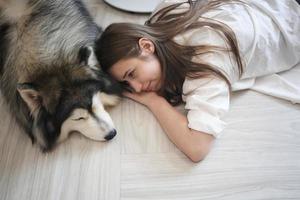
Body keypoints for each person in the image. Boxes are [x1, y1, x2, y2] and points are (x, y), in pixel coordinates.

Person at [95, 0, 300, 162]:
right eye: (128, 84)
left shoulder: (206, 57)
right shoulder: (162, 13)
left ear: (146, 46)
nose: (138, 88)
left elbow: (197, 148)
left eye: (132, 74)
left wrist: (153, 102)